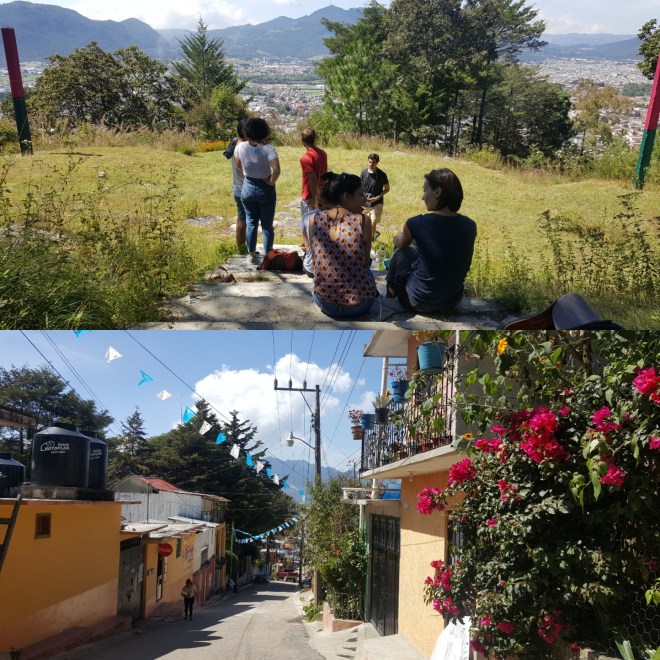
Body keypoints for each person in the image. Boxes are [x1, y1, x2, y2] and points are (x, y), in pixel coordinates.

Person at [386, 168, 476, 313]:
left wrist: (396, 238)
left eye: (425, 190)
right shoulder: (470, 225)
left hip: (416, 301)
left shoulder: (416, 223)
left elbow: (401, 243)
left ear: (437, 192)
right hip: (451, 301)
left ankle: (388, 300)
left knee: (401, 251)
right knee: (416, 246)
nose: (423, 197)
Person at [310, 171, 378, 317]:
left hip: (326, 303)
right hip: (360, 304)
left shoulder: (314, 219)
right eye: (361, 194)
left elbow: (316, 258)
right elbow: (365, 262)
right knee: (367, 270)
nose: (364, 199)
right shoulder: (363, 221)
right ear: (346, 196)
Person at [234, 117, 281, 266]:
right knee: (267, 225)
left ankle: (251, 254)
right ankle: (268, 257)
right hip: (265, 188)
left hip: (247, 186)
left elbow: (238, 164)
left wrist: (248, 172)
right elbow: (276, 169)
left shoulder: (241, 146)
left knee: (251, 222)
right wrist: (271, 181)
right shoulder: (268, 149)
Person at [223, 119, 248, 253]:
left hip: (238, 188)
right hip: (243, 188)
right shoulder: (243, 147)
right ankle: (241, 248)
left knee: (243, 218)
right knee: (243, 219)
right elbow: (246, 169)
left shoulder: (236, 142)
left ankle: (244, 247)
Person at [360, 153, 390, 239]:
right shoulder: (363, 172)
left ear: (377, 162)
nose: (371, 164)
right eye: (369, 162)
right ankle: (363, 237)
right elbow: (360, 186)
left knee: (373, 222)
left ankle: (372, 238)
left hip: (377, 203)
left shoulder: (382, 175)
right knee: (362, 222)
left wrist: (377, 198)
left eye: (373, 162)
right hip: (365, 202)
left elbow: (387, 189)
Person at [299, 127, 327, 216]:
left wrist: (314, 199)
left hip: (309, 197)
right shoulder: (323, 153)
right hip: (322, 194)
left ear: (302, 141)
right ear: (315, 139)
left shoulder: (305, 158)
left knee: (308, 222)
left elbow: (312, 179)